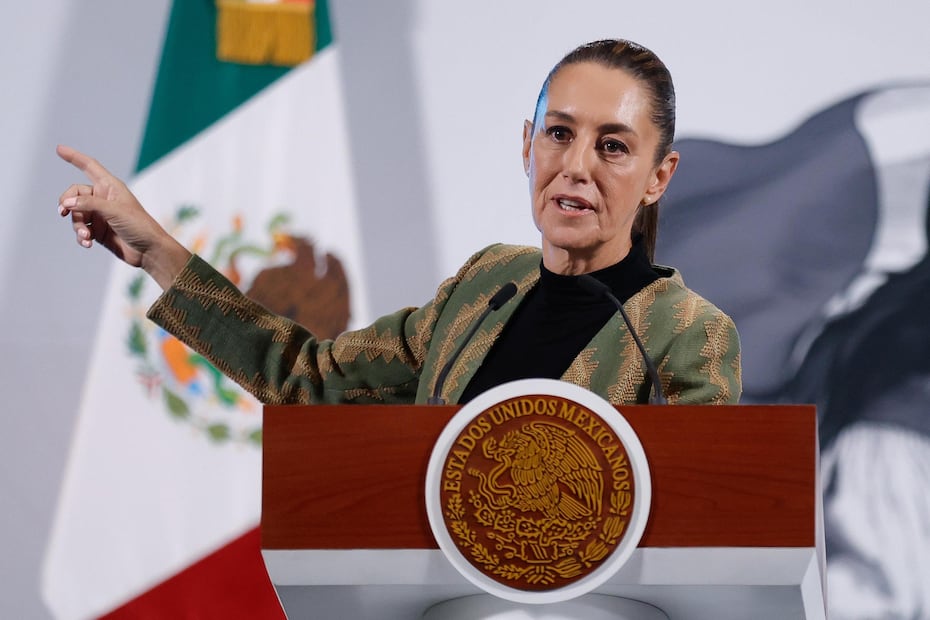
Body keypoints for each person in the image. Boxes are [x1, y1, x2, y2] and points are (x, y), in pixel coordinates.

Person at [57, 39, 741, 407]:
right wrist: (156, 252)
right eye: (559, 134)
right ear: (527, 143)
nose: (577, 165)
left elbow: (696, 532)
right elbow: (303, 379)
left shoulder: (686, 336)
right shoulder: (484, 287)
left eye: (614, 146)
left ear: (660, 176)